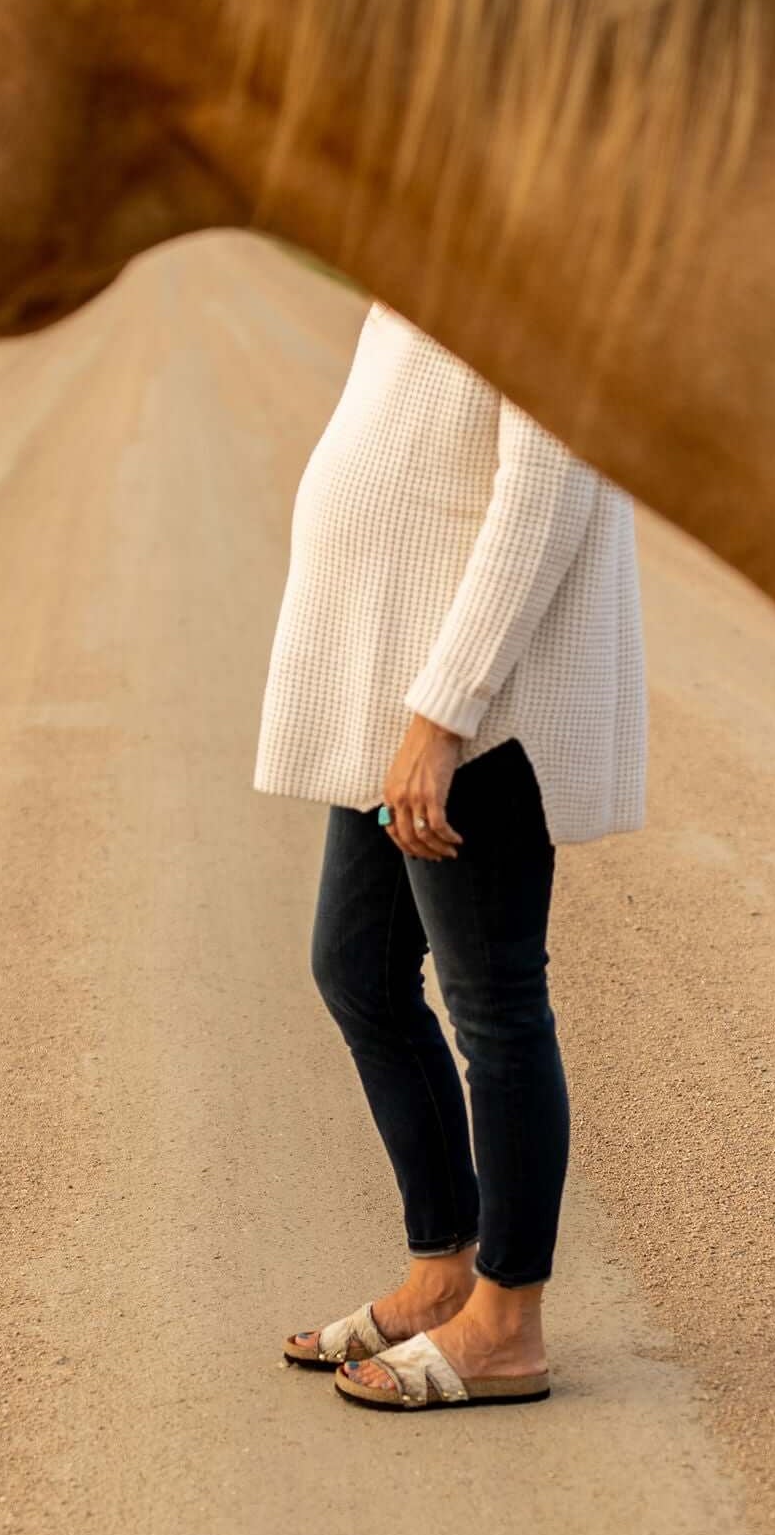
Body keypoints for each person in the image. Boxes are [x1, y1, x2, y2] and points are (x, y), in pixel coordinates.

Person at [257, 303, 647, 1412]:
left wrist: (445, 711)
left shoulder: (542, 241)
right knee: (361, 975)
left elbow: (547, 493)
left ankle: (508, 1326)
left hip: (475, 714)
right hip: (404, 705)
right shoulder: (438, 243)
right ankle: (444, 1273)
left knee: (495, 1006)